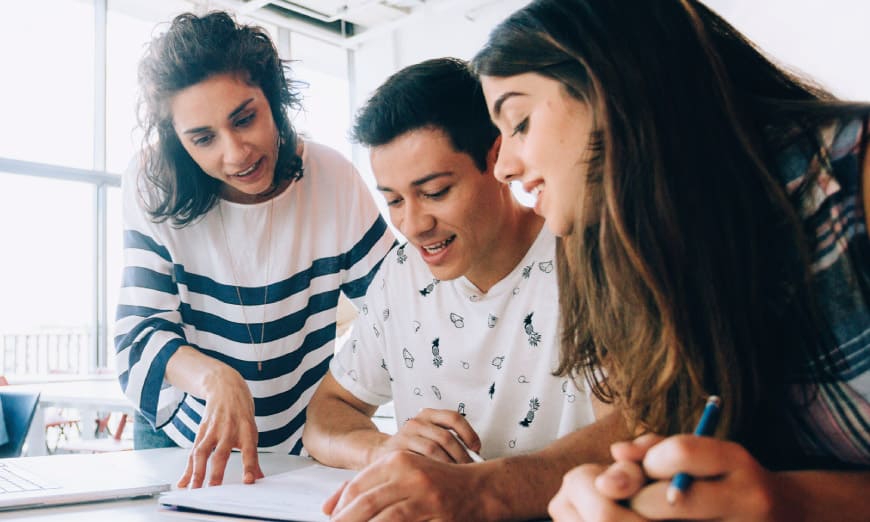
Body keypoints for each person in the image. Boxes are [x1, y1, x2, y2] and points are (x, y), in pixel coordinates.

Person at [472, 0, 870, 520]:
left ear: (613, 82)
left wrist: (792, 500)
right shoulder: (622, 255)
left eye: (520, 121)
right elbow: (663, 442)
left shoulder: (852, 175)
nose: (502, 167)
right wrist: (629, 491)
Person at [301, 57, 626, 521]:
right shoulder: (400, 274)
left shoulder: (582, 254)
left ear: (497, 159)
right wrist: (384, 449)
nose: (412, 225)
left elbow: (633, 426)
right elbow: (326, 412)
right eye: (393, 199)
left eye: (434, 192)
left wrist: (477, 489)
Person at [115, 11, 394, 489]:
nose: (236, 153)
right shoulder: (153, 184)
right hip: (182, 440)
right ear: (180, 143)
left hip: (298, 438)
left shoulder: (332, 179)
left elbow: (401, 310)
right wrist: (214, 378)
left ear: (274, 99)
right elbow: (139, 338)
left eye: (245, 118)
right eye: (203, 139)